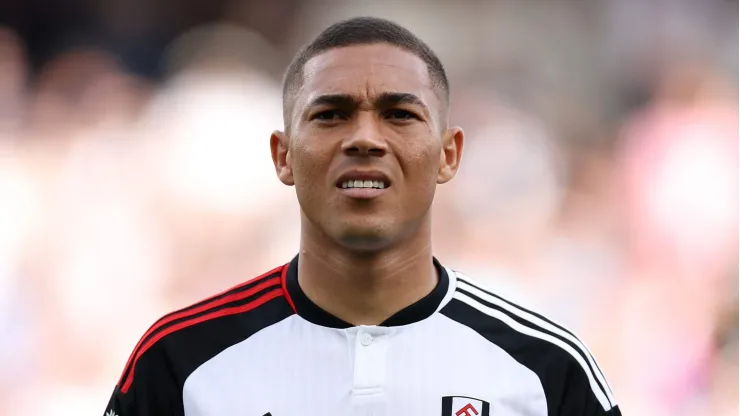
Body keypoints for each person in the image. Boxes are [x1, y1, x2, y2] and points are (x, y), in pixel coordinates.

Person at [104, 16, 621, 416]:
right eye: (331, 114)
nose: (365, 139)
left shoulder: (547, 368)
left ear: (448, 155)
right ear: (283, 156)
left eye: (399, 115)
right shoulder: (179, 362)